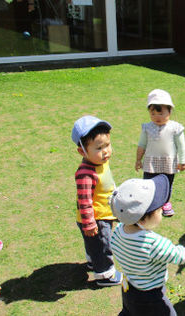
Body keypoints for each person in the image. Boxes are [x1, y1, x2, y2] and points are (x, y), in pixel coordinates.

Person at [110, 175, 185, 316]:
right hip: (151, 296)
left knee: (130, 312)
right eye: (159, 210)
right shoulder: (153, 243)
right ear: (142, 219)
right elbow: (180, 256)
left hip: (129, 288)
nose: (162, 213)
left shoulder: (117, 231)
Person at [71, 115, 122, 286]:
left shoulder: (100, 162)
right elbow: (84, 201)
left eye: (107, 145)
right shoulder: (86, 173)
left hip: (102, 214)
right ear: (82, 151)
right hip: (95, 219)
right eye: (99, 148)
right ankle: (104, 275)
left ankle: (94, 261)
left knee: (94, 243)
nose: (106, 151)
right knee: (101, 245)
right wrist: (89, 223)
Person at [135, 89, 185, 217]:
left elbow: (181, 146)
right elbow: (142, 145)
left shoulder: (175, 128)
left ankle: (165, 203)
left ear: (169, 111)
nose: (156, 117)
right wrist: (138, 160)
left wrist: (182, 161)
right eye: (152, 114)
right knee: (148, 183)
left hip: (169, 162)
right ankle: (148, 203)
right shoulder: (147, 128)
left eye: (160, 113)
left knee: (167, 183)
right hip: (151, 161)